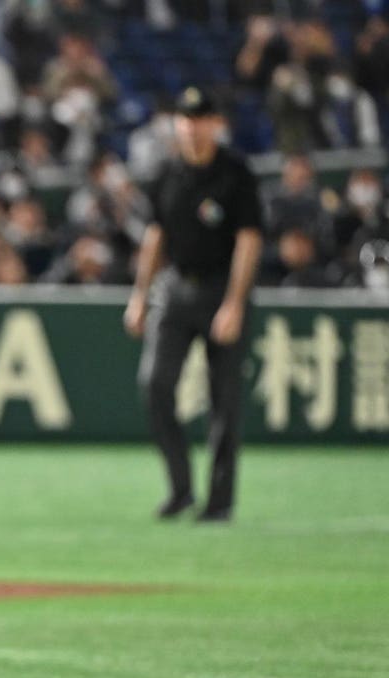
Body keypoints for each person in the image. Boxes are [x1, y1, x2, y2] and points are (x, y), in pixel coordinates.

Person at [123, 87, 263, 523]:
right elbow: (155, 235)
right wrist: (140, 295)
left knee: (224, 401)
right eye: (185, 118)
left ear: (213, 124)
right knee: (155, 384)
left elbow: (249, 239)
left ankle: (219, 502)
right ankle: (180, 488)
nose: (191, 126)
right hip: (176, 288)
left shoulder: (235, 173)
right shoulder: (166, 172)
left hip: (221, 288)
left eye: (200, 117)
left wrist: (235, 303)